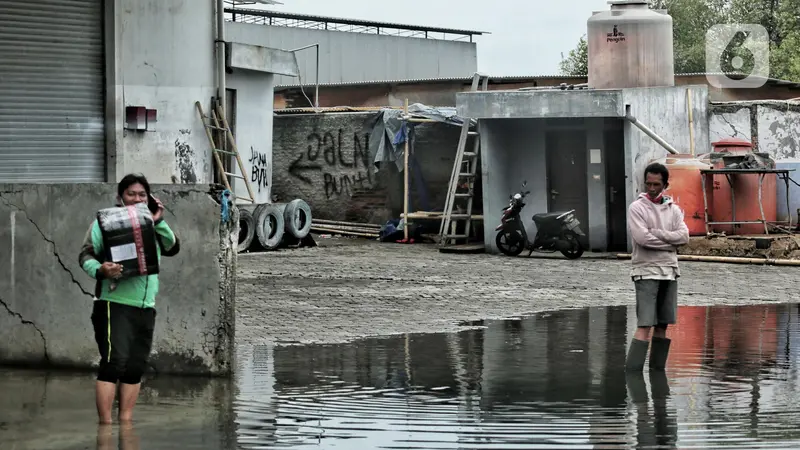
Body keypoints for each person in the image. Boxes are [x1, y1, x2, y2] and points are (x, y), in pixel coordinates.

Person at [79, 173, 180, 424]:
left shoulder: (152, 223)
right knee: (113, 363)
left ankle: (125, 424)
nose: (136, 198)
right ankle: (105, 426)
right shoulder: (105, 222)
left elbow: (172, 247)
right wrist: (101, 270)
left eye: (142, 194)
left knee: (135, 367)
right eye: (131, 194)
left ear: (149, 198)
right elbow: (85, 256)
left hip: (146, 306)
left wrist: (158, 221)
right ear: (120, 197)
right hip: (114, 303)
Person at [625, 162, 689, 372]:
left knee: (662, 325)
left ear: (665, 184)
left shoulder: (674, 209)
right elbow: (642, 239)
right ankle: (633, 376)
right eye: (648, 184)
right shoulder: (637, 207)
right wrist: (671, 244)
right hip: (645, 271)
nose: (651, 188)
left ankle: (657, 375)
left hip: (669, 271)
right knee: (645, 325)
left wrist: (658, 234)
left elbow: (684, 236)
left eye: (656, 184)